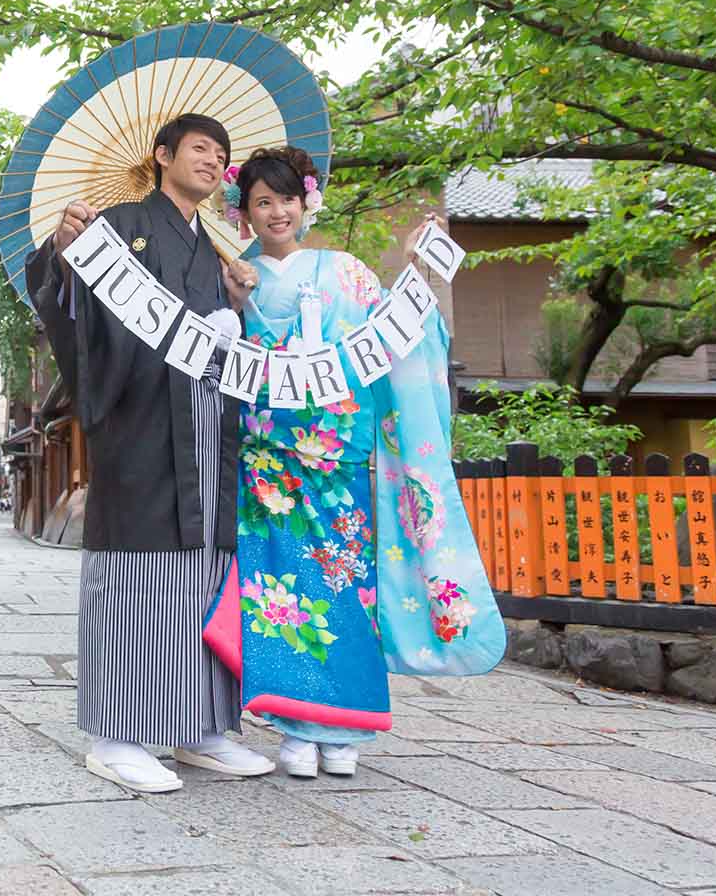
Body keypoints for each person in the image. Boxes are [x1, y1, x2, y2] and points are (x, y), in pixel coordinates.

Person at [205, 146, 505, 778]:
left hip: (336, 456)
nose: (276, 211)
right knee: (276, 592)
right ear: (245, 213)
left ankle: (343, 729)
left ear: (306, 202)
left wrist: (420, 273)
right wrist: (232, 304)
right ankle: (293, 725)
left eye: (287, 198)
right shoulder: (234, 272)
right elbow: (219, 357)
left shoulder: (348, 272)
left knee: (344, 586)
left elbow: (396, 333)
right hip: (267, 460)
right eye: (262, 201)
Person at [26, 112, 275, 794]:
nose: (214, 160)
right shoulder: (120, 224)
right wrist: (64, 248)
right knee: (139, 572)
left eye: (221, 154)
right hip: (140, 422)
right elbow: (63, 298)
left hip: (208, 427)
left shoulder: (218, 250)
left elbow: (234, 343)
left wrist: (236, 303)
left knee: (206, 570)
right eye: (200, 148)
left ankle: (200, 727)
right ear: (162, 155)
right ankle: (116, 733)